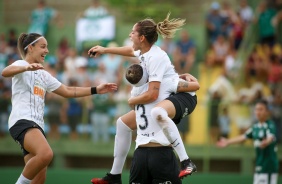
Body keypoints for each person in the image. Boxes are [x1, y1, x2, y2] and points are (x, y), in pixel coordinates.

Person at [89, 13, 199, 183]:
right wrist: (104, 50)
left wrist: (132, 100)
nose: (129, 35)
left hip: (183, 96)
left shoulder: (155, 57)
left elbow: (153, 94)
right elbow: (129, 50)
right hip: (167, 94)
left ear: (141, 37)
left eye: (132, 32)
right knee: (122, 123)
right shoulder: (144, 52)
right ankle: (114, 176)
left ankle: (186, 161)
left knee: (158, 112)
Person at [1, 32, 117, 184]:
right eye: (43, 46)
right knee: (46, 154)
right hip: (22, 120)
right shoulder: (21, 65)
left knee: (39, 179)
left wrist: (96, 90)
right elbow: (5, 72)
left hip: (36, 125)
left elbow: (68, 91)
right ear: (30, 48)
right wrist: (26, 68)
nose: (47, 50)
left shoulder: (44, 74)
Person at [125, 64, 198, 183]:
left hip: (140, 153)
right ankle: (186, 160)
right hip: (161, 151)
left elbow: (134, 107)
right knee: (159, 112)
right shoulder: (165, 83)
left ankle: (114, 174)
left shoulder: (135, 91)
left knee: (121, 124)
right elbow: (195, 87)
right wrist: (188, 76)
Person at [217, 100, 279, 184]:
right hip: (259, 164)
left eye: (261, 109)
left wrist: (266, 142)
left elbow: (270, 137)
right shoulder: (255, 127)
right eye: (256, 109)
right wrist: (228, 141)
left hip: (269, 166)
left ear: (267, 112)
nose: (258, 112)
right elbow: (243, 137)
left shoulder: (270, 125)